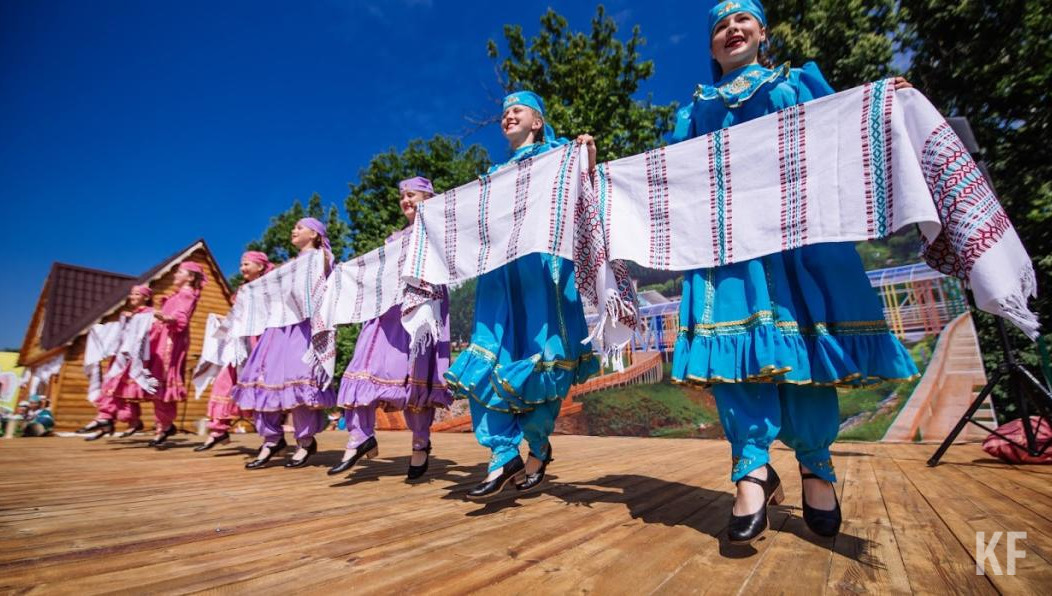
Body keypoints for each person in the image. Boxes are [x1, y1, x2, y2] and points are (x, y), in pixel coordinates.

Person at [670, 0, 917, 544]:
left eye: (742, 20)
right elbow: (670, 175)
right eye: (719, 26)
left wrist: (881, 104)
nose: (731, 29)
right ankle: (751, 469)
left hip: (795, 237)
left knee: (803, 349)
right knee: (741, 357)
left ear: (763, 31)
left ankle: (814, 465)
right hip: (730, 246)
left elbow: (843, 133)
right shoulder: (693, 109)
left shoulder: (797, 81)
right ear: (712, 46)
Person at [444, 91, 600, 499]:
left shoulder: (560, 156)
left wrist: (588, 157)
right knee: (489, 354)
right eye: (504, 112)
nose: (508, 115)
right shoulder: (492, 176)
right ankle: (502, 454)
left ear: (538, 121)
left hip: (543, 273)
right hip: (500, 277)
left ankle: (538, 447)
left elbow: (585, 196)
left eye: (518, 109)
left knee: (541, 359)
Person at [329, 176, 453, 480]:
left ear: (428, 199)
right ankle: (359, 437)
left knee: (414, 376)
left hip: (421, 309)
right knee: (363, 366)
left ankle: (420, 444)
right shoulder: (393, 240)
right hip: (386, 312)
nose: (405, 201)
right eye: (403, 196)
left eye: (412, 195)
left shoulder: (440, 231)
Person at [233, 218, 337, 469]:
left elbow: (321, 284)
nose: (294, 230)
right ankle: (271, 439)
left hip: (302, 325)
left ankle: (305, 441)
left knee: (298, 381)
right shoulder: (286, 266)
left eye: (300, 227)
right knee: (263, 381)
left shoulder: (320, 256)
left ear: (314, 234)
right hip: (276, 328)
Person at [194, 251, 274, 451]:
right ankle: (218, 431)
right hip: (239, 346)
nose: (242, 268)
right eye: (241, 264)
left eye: (246, 264)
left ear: (261, 267)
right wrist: (226, 321)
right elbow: (238, 315)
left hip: (259, 343)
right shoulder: (243, 289)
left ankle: (272, 437)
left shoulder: (268, 287)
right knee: (223, 383)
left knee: (259, 387)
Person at [81, 284, 155, 440]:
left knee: (118, 388)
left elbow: (146, 335)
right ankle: (115, 421)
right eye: (132, 294)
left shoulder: (150, 314)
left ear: (146, 298)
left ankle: (107, 418)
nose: (132, 297)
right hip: (121, 357)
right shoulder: (133, 313)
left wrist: (132, 321)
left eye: (136, 294)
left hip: (133, 359)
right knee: (119, 390)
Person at [144, 262, 205, 447]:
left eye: (179, 272)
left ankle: (164, 426)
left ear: (190, 277)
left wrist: (164, 317)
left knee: (162, 379)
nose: (174, 275)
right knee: (159, 384)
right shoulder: (177, 295)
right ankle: (163, 425)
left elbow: (181, 318)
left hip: (172, 340)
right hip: (164, 337)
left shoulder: (187, 294)